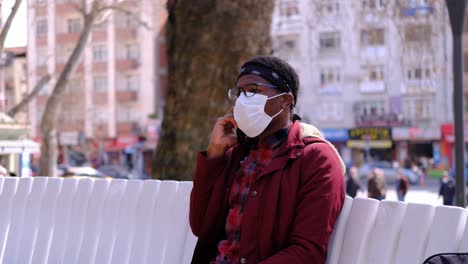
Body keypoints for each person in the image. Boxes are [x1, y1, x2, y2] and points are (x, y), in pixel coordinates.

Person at [189, 56, 345, 263]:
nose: (243, 100)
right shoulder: (237, 154)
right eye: (240, 92)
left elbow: (307, 251)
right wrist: (215, 152)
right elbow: (200, 225)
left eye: (253, 90)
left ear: (285, 101)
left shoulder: (316, 159)